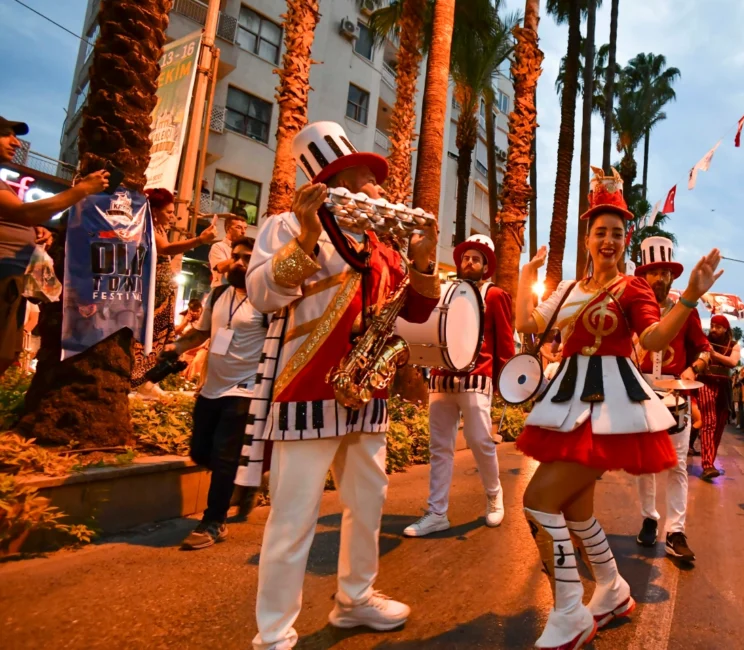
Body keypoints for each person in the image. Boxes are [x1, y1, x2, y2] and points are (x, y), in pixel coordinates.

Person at [239, 122, 440, 649]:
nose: (379, 188)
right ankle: (274, 632)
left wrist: (421, 259)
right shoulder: (286, 224)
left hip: (367, 391)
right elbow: (261, 295)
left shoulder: (381, 243)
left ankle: (355, 598)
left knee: (368, 502)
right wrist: (307, 235)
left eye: (375, 179)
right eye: (366, 178)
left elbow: (417, 310)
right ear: (333, 184)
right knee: (293, 517)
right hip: (306, 389)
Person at [513, 168, 723, 649]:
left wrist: (689, 296)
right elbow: (529, 322)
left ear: (626, 238)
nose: (607, 240)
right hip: (566, 402)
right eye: (599, 232)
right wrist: (527, 278)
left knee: (539, 501)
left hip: (608, 408)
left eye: (616, 232)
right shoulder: (567, 290)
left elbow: (651, 338)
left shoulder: (633, 288)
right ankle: (610, 589)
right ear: (588, 238)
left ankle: (569, 611)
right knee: (573, 510)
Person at [404, 234, 515, 537]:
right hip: (442, 376)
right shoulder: (445, 291)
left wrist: (510, 381)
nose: (469, 262)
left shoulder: (495, 296)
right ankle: (437, 512)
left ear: (486, 266)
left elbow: (505, 342)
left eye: (476, 258)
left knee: (480, 441)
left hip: (478, 376)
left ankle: (494, 496)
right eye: (466, 257)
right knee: (440, 448)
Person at [165, 237, 263, 549]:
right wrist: (176, 347)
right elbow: (202, 331)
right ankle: (243, 484)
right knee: (201, 451)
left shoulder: (269, 301)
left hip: (246, 390)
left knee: (223, 457)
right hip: (212, 387)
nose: (238, 263)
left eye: (247, 258)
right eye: (236, 256)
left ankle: (213, 522)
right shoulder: (220, 293)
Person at [0, 116, 109, 374]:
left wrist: (33, 229)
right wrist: (82, 190)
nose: (15, 143)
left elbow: (21, 216)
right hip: (3, 279)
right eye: (6, 135)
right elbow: (24, 213)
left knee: (7, 353)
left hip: (12, 281)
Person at [632, 236, 710, 562]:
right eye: (655, 272)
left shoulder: (686, 310)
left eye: (666, 272)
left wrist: (693, 368)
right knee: (646, 465)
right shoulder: (633, 309)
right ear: (644, 275)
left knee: (677, 465)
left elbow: (705, 349)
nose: (661, 278)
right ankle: (650, 518)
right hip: (640, 394)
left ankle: (675, 531)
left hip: (676, 394)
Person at [131, 188, 217, 395]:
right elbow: (166, 249)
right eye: (168, 212)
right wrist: (200, 240)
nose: (173, 216)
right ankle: (138, 379)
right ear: (154, 210)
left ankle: (150, 379)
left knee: (160, 337)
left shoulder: (160, 228)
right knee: (146, 337)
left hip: (162, 295)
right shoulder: (147, 227)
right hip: (149, 294)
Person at [698, 314, 740, 480]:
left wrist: (714, 355)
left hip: (724, 387)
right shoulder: (703, 340)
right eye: (712, 325)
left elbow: (732, 362)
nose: (714, 329)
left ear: (725, 329)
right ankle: (707, 464)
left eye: (718, 327)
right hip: (706, 383)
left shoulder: (734, 345)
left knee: (720, 425)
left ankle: (710, 462)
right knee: (709, 422)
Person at [209, 212, 248, 286]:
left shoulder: (244, 249)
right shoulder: (218, 246)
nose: (243, 232)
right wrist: (243, 256)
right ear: (228, 229)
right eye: (238, 227)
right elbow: (220, 268)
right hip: (221, 290)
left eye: (245, 228)